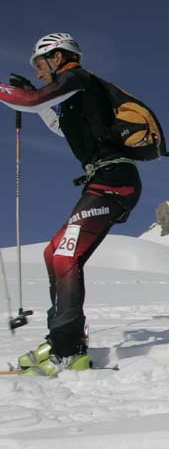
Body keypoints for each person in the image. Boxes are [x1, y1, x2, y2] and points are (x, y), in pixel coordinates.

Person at [0, 33, 142, 375]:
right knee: (54, 252)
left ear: (58, 57)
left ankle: (68, 351)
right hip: (103, 181)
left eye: (40, 64)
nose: (38, 73)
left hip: (114, 181)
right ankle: (62, 341)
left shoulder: (76, 77)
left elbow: (31, 100)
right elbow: (57, 123)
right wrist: (30, 100)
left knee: (66, 255)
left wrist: (24, 97)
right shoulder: (75, 96)